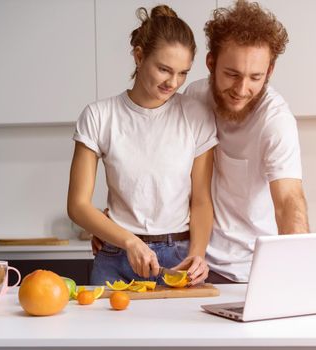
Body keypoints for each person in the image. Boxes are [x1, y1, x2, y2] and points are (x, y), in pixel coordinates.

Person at [68, 5, 217, 286]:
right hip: (116, 256)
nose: (173, 82)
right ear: (139, 56)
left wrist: (197, 256)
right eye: (164, 69)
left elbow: (201, 200)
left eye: (183, 73)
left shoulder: (196, 114)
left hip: (177, 260)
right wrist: (128, 241)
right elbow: (77, 205)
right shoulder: (99, 116)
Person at [183, 0, 310, 283]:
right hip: (192, 260)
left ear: (270, 71)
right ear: (211, 63)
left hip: (249, 271)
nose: (241, 90)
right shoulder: (193, 98)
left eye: (255, 77)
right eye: (231, 75)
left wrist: (301, 270)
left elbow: (288, 200)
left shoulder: (276, 121)